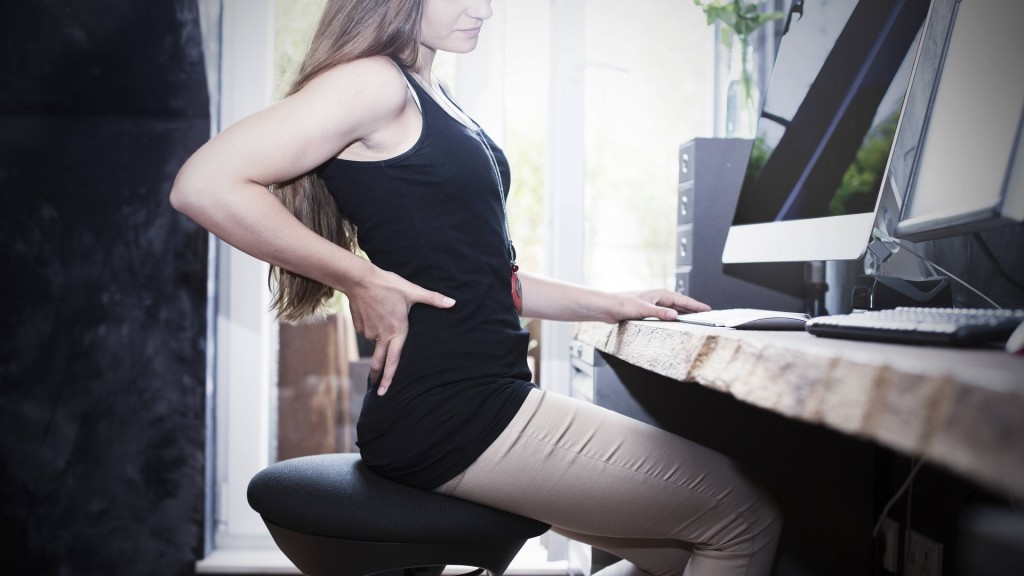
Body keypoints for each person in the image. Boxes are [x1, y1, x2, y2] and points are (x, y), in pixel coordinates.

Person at [171, 1, 782, 574]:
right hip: (456, 415)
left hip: (473, 404)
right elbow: (203, 184)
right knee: (744, 518)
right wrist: (359, 276)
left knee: (678, 556)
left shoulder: (431, 92)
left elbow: (485, 278)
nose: (484, 9)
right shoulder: (373, 83)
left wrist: (615, 302)